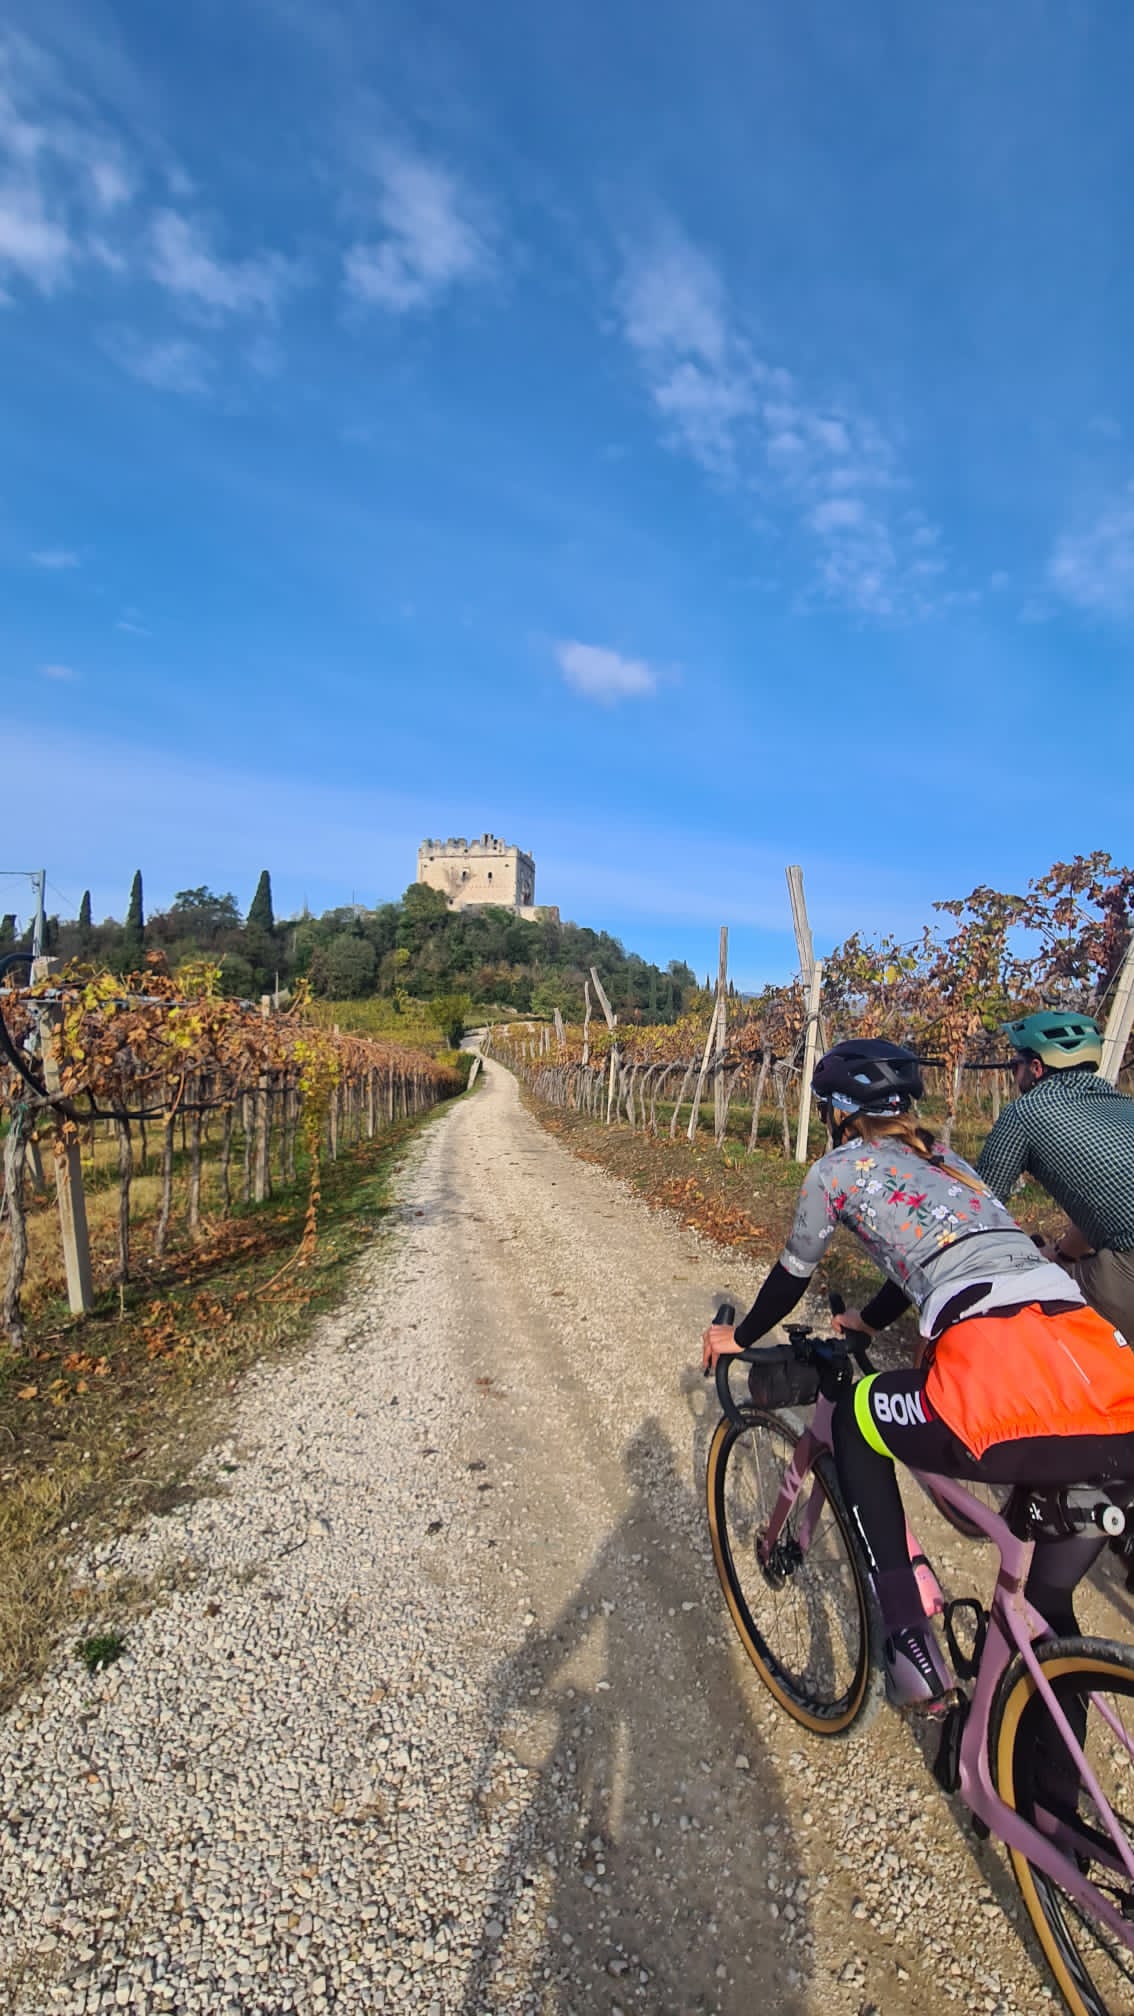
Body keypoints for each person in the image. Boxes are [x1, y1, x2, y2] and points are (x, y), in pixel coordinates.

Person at [702, 1039, 1134, 1709]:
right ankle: (1034, 1765)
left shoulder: (837, 1170)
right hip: (1101, 1366)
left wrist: (740, 1336)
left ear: (838, 1112)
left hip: (1000, 1368)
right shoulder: (951, 1163)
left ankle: (908, 1637)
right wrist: (869, 1322)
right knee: (1048, 1613)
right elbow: (941, 1258)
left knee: (856, 1416)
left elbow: (791, 1277)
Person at [976, 1011, 1134, 1338]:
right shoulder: (1125, 1106)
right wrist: (1061, 1254)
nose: (1013, 1073)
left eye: (1015, 1065)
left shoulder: (1024, 1112)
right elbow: (1105, 1209)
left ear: (1036, 1068)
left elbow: (979, 1206)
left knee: (1024, 1308)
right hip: (1123, 1252)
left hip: (1128, 1269)